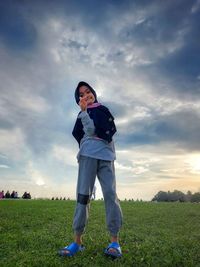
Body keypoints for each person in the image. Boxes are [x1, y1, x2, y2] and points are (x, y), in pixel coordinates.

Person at [59, 81, 123, 258]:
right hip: (88, 154)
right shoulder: (82, 114)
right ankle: (77, 242)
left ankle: (114, 242)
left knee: (111, 195)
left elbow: (107, 131)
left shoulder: (103, 110)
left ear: (93, 92)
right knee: (83, 196)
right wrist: (85, 113)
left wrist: (89, 116)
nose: (85, 95)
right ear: (78, 100)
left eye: (88, 91)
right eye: (81, 95)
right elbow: (89, 130)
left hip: (106, 157)